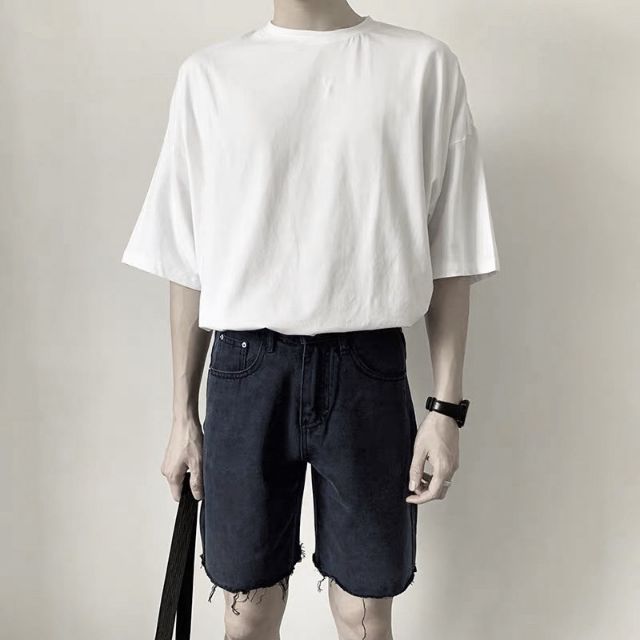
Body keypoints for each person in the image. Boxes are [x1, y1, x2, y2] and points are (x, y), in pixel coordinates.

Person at [121, 1, 500, 638]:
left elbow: (452, 253)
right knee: (246, 610)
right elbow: (187, 259)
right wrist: (182, 416)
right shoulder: (211, 76)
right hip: (246, 371)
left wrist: (445, 410)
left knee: (364, 612)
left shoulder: (423, 67)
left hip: (368, 370)